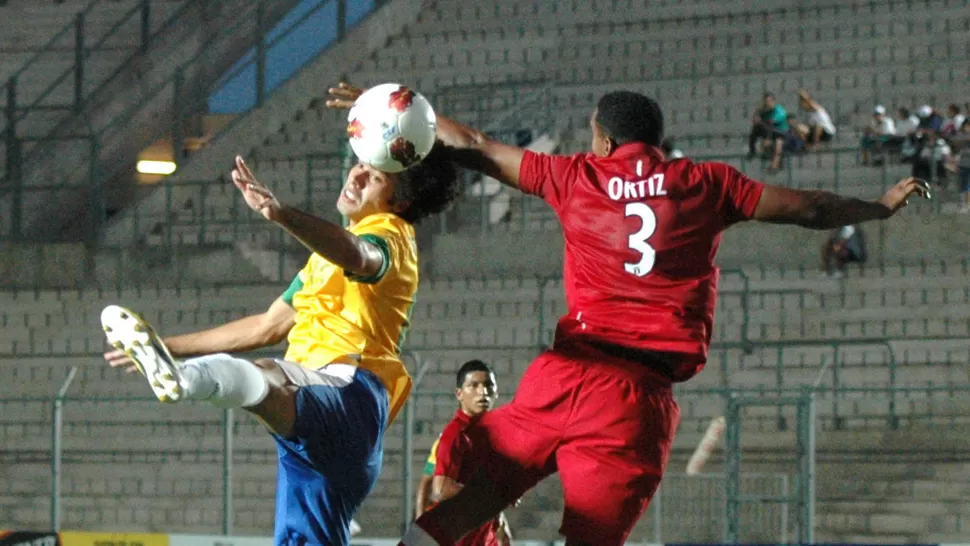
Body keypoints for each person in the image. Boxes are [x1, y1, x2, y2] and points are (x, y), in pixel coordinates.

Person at [327, 82, 930, 546]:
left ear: (605, 143)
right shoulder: (706, 183)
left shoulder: (577, 176)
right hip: (633, 401)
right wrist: (875, 208)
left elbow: (478, 147)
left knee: (474, 493)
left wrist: (400, 112)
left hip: (563, 377)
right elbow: (808, 207)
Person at [101, 150, 461, 546]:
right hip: (322, 434)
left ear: (401, 200)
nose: (356, 175)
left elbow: (360, 255)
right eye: (360, 165)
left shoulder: (392, 234)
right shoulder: (323, 261)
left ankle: (186, 381)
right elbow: (267, 325)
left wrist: (280, 213)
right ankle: (181, 374)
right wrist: (165, 346)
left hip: (351, 395)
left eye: (374, 177)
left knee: (270, 378)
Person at [428, 360, 512, 546]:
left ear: (496, 392)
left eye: (488, 386)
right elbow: (440, 489)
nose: (482, 392)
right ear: (459, 394)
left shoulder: (491, 438)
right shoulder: (455, 435)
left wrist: (501, 524)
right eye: (473, 386)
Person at [747, 92, 788, 173]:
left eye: (769, 101)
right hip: (768, 131)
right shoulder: (763, 111)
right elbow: (756, 121)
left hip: (781, 132)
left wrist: (767, 138)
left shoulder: (779, 111)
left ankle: (774, 164)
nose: (768, 103)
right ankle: (752, 150)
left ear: (774, 101)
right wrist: (757, 116)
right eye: (766, 101)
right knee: (756, 129)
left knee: (768, 129)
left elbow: (771, 123)